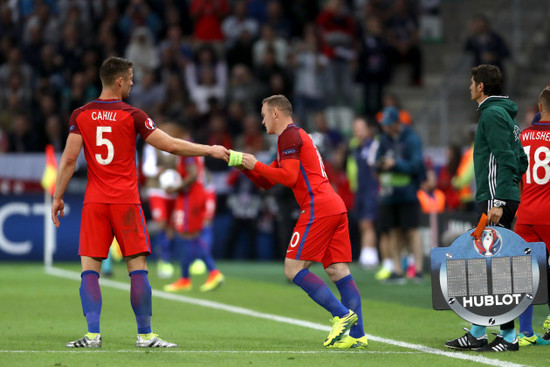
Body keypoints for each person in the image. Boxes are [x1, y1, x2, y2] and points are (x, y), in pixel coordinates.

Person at [51, 56, 229, 349]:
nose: (133, 82)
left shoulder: (80, 115)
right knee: (138, 269)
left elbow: (69, 160)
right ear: (119, 80)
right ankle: (145, 335)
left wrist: (57, 197)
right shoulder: (132, 115)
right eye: (131, 77)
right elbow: (170, 144)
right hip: (126, 202)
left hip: (95, 202)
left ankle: (92, 335)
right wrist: (208, 150)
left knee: (89, 270)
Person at [236, 94, 367, 349]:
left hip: (318, 207)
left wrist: (255, 164)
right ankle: (357, 335)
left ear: (276, 113)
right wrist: (244, 166)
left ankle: (341, 315)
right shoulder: (293, 137)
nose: (262, 122)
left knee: (292, 268)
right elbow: (267, 181)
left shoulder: (288, 136)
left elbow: (288, 177)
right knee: (338, 271)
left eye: (263, 115)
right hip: (333, 205)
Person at [445, 64, 527, 352]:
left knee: (496, 265)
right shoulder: (505, 115)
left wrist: (499, 202)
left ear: (481, 87)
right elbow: (521, 160)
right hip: (501, 195)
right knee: (491, 263)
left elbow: (505, 157)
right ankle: (481, 331)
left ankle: (507, 336)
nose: (469, 87)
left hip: (496, 199)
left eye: (472, 82)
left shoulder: (491, 114)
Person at [164, 137, 225, 292]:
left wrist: (176, 188)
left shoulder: (187, 152)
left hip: (189, 197)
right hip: (191, 196)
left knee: (188, 237)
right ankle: (186, 278)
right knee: (188, 237)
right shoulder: (192, 150)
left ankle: (212, 272)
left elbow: (192, 175)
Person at [515, 86, 550, 347]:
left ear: (539, 108)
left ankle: (525, 332)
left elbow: (516, 176)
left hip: (526, 213)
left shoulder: (524, 136)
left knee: (526, 274)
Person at [374, 106, 425, 283]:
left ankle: (418, 270)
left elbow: (416, 165)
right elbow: (376, 162)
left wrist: (395, 164)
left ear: (397, 123)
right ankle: (397, 270)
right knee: (393, 231)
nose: (386, 128)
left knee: (412, 231)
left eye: (389, 124)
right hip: (389, 193)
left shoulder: (411, 139)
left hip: (407, 193)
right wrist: (381, 165)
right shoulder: (383, 139)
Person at [347, 117, 380, 268]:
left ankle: (370, 256)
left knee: (368, 222)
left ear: (367, 129)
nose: (358, 131)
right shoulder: (355, 148)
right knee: (362, 223)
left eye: (361, 127)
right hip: (360, 190)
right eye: (356, 128)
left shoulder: (373, 146)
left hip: (371, 190)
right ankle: (366, 254)